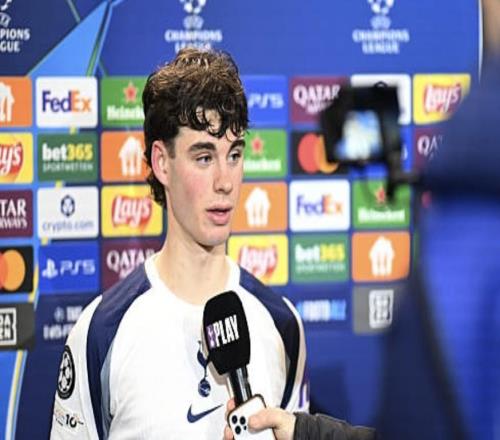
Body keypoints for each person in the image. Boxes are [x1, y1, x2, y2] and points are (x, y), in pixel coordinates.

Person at [49, 48, 307, 439]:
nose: (225, 181)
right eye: (204, 157)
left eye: (234, 155)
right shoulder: (101, 332)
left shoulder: (282, 325)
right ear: (161, 163)